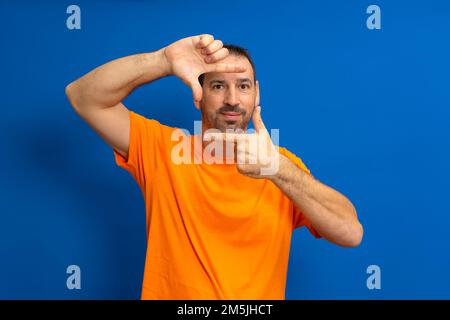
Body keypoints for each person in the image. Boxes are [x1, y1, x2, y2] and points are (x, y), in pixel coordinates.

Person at [65, 34, 363, 300]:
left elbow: (351, 232)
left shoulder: (281, 165)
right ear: (200, 94)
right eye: (218, 85)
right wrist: (163, 60)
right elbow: (83, 96)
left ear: (256, 94)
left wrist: (278, 169)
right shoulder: (162, 149)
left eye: (243, 86)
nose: (232, 100)